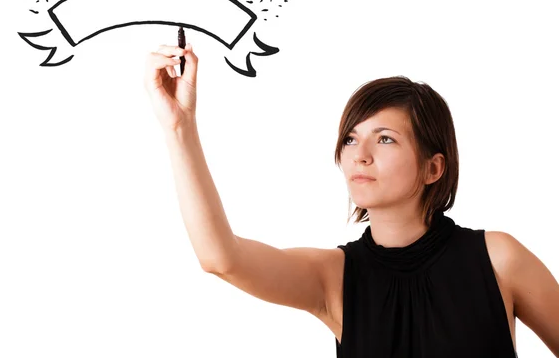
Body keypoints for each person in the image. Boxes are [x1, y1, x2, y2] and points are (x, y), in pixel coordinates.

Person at [144, 44, 559, 358]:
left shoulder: (499, 258)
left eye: (385, 139)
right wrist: (180, 128)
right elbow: (221, 258)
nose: (360, 154)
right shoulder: (334, 277)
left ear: (434, 168)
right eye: (350, 139)